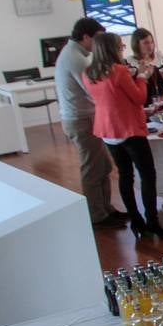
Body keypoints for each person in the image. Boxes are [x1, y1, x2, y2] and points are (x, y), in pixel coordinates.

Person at [82, 32, 163, 241]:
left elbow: (111, 98)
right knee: (147, 174)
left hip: (107, 130)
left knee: (125, 175)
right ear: (113, 49)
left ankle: (137, 222)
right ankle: (152, 220)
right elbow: (139, 97)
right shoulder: (119, 71)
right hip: (128, 128)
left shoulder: (89, 73)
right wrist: (142, 77)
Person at [54, 17, 120, 226]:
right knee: (92, 168)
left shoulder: (74, 53)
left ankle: (105, 208)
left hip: (84, 117)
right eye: (97, 39)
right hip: (81, 119)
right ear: (85, 37)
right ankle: (97, 215)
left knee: (103, 166)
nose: (98, 45)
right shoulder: (75, 58)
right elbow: (93, 89)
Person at [127, 27, 163, 103]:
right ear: (136, 44)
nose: (150, 46)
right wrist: (143, 76)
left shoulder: (159, 57)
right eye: (146, 43)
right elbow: (132, 88)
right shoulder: (130, 63)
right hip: (145, 103)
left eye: (151, 42)